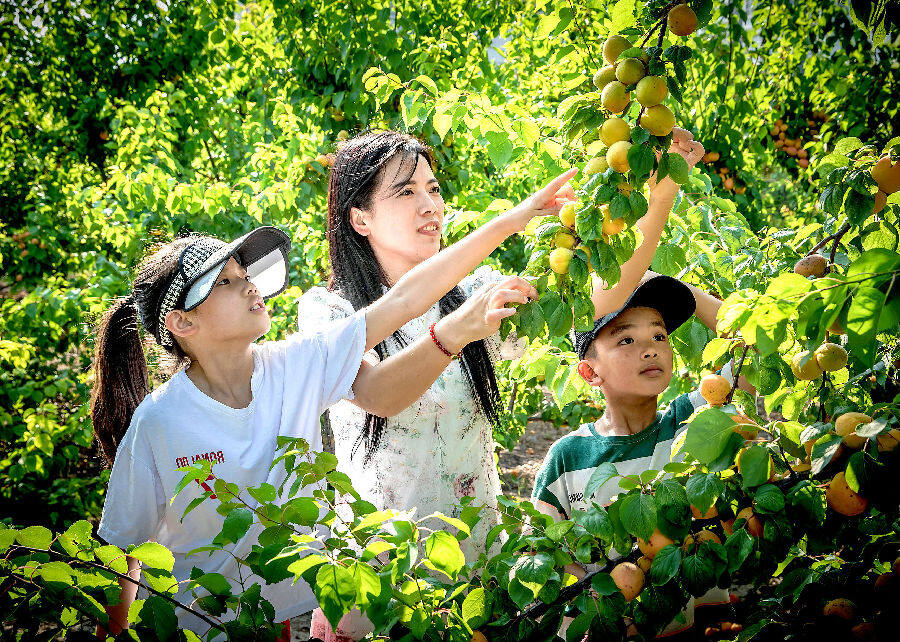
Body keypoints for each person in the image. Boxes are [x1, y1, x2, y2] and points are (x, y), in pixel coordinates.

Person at [91, 167, 574, 637]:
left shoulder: (296, 366)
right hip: (189, 625)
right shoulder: (161, 420)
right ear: (182, 323)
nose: (251, 286)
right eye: (226, 283)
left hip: (271, 621)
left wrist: (516, 218)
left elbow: (405, 299)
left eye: (246, 274)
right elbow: (121, 550)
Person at [297, 129, 705, 639]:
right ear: (359, 218)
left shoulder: (472, 292)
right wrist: (455, 332)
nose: (430, 205)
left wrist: (659, 191)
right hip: (378, 584)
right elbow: (378, 396)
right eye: (406, 192)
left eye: (434, 189)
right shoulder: (330, 311)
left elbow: (597, 303)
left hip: (477, 576)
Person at [531, 270, 755, 640]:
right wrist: (600, 593)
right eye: (626, 339)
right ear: (589, 372)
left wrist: (682, 289)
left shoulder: (693, 420)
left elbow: (758, 343)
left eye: (659, 334)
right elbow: (542, 553)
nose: (650, 348)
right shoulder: (568, 457)